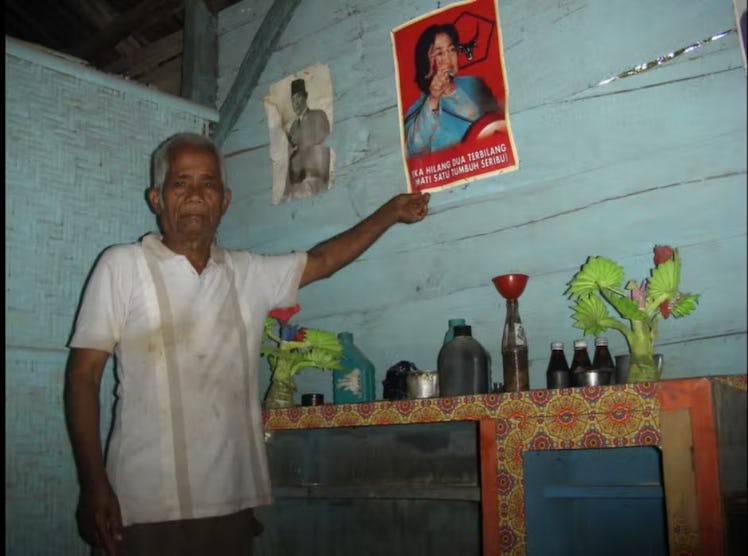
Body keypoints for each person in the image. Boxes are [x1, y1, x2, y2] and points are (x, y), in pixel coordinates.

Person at [64, 132, 430, 556]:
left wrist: (390, 212)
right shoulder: (122, 266)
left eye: (208, 184)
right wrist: (93, 485)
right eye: (181, 183)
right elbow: (82, 378)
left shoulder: (247, 274)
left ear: (225, 200)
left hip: (231, 503)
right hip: (141, 504)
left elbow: (324, 261)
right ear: (156, 198)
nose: (196, 195)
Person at [403, 23, 503, 157]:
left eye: (452, 49)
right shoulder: (419, 109)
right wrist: (434, 98)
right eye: (439, 53)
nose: (448, 58)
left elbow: (499, 120)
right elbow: (414, 148)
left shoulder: (474, 83)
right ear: (425, 64)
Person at [285, 78, 331, 199]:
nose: (296, 103)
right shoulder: (293, 128)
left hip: (315, 182)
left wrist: (319, 181)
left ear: (305, 96)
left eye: (299, 97)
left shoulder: (318, 116)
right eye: (293, 100)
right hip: (297, 186)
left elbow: (324, 150)